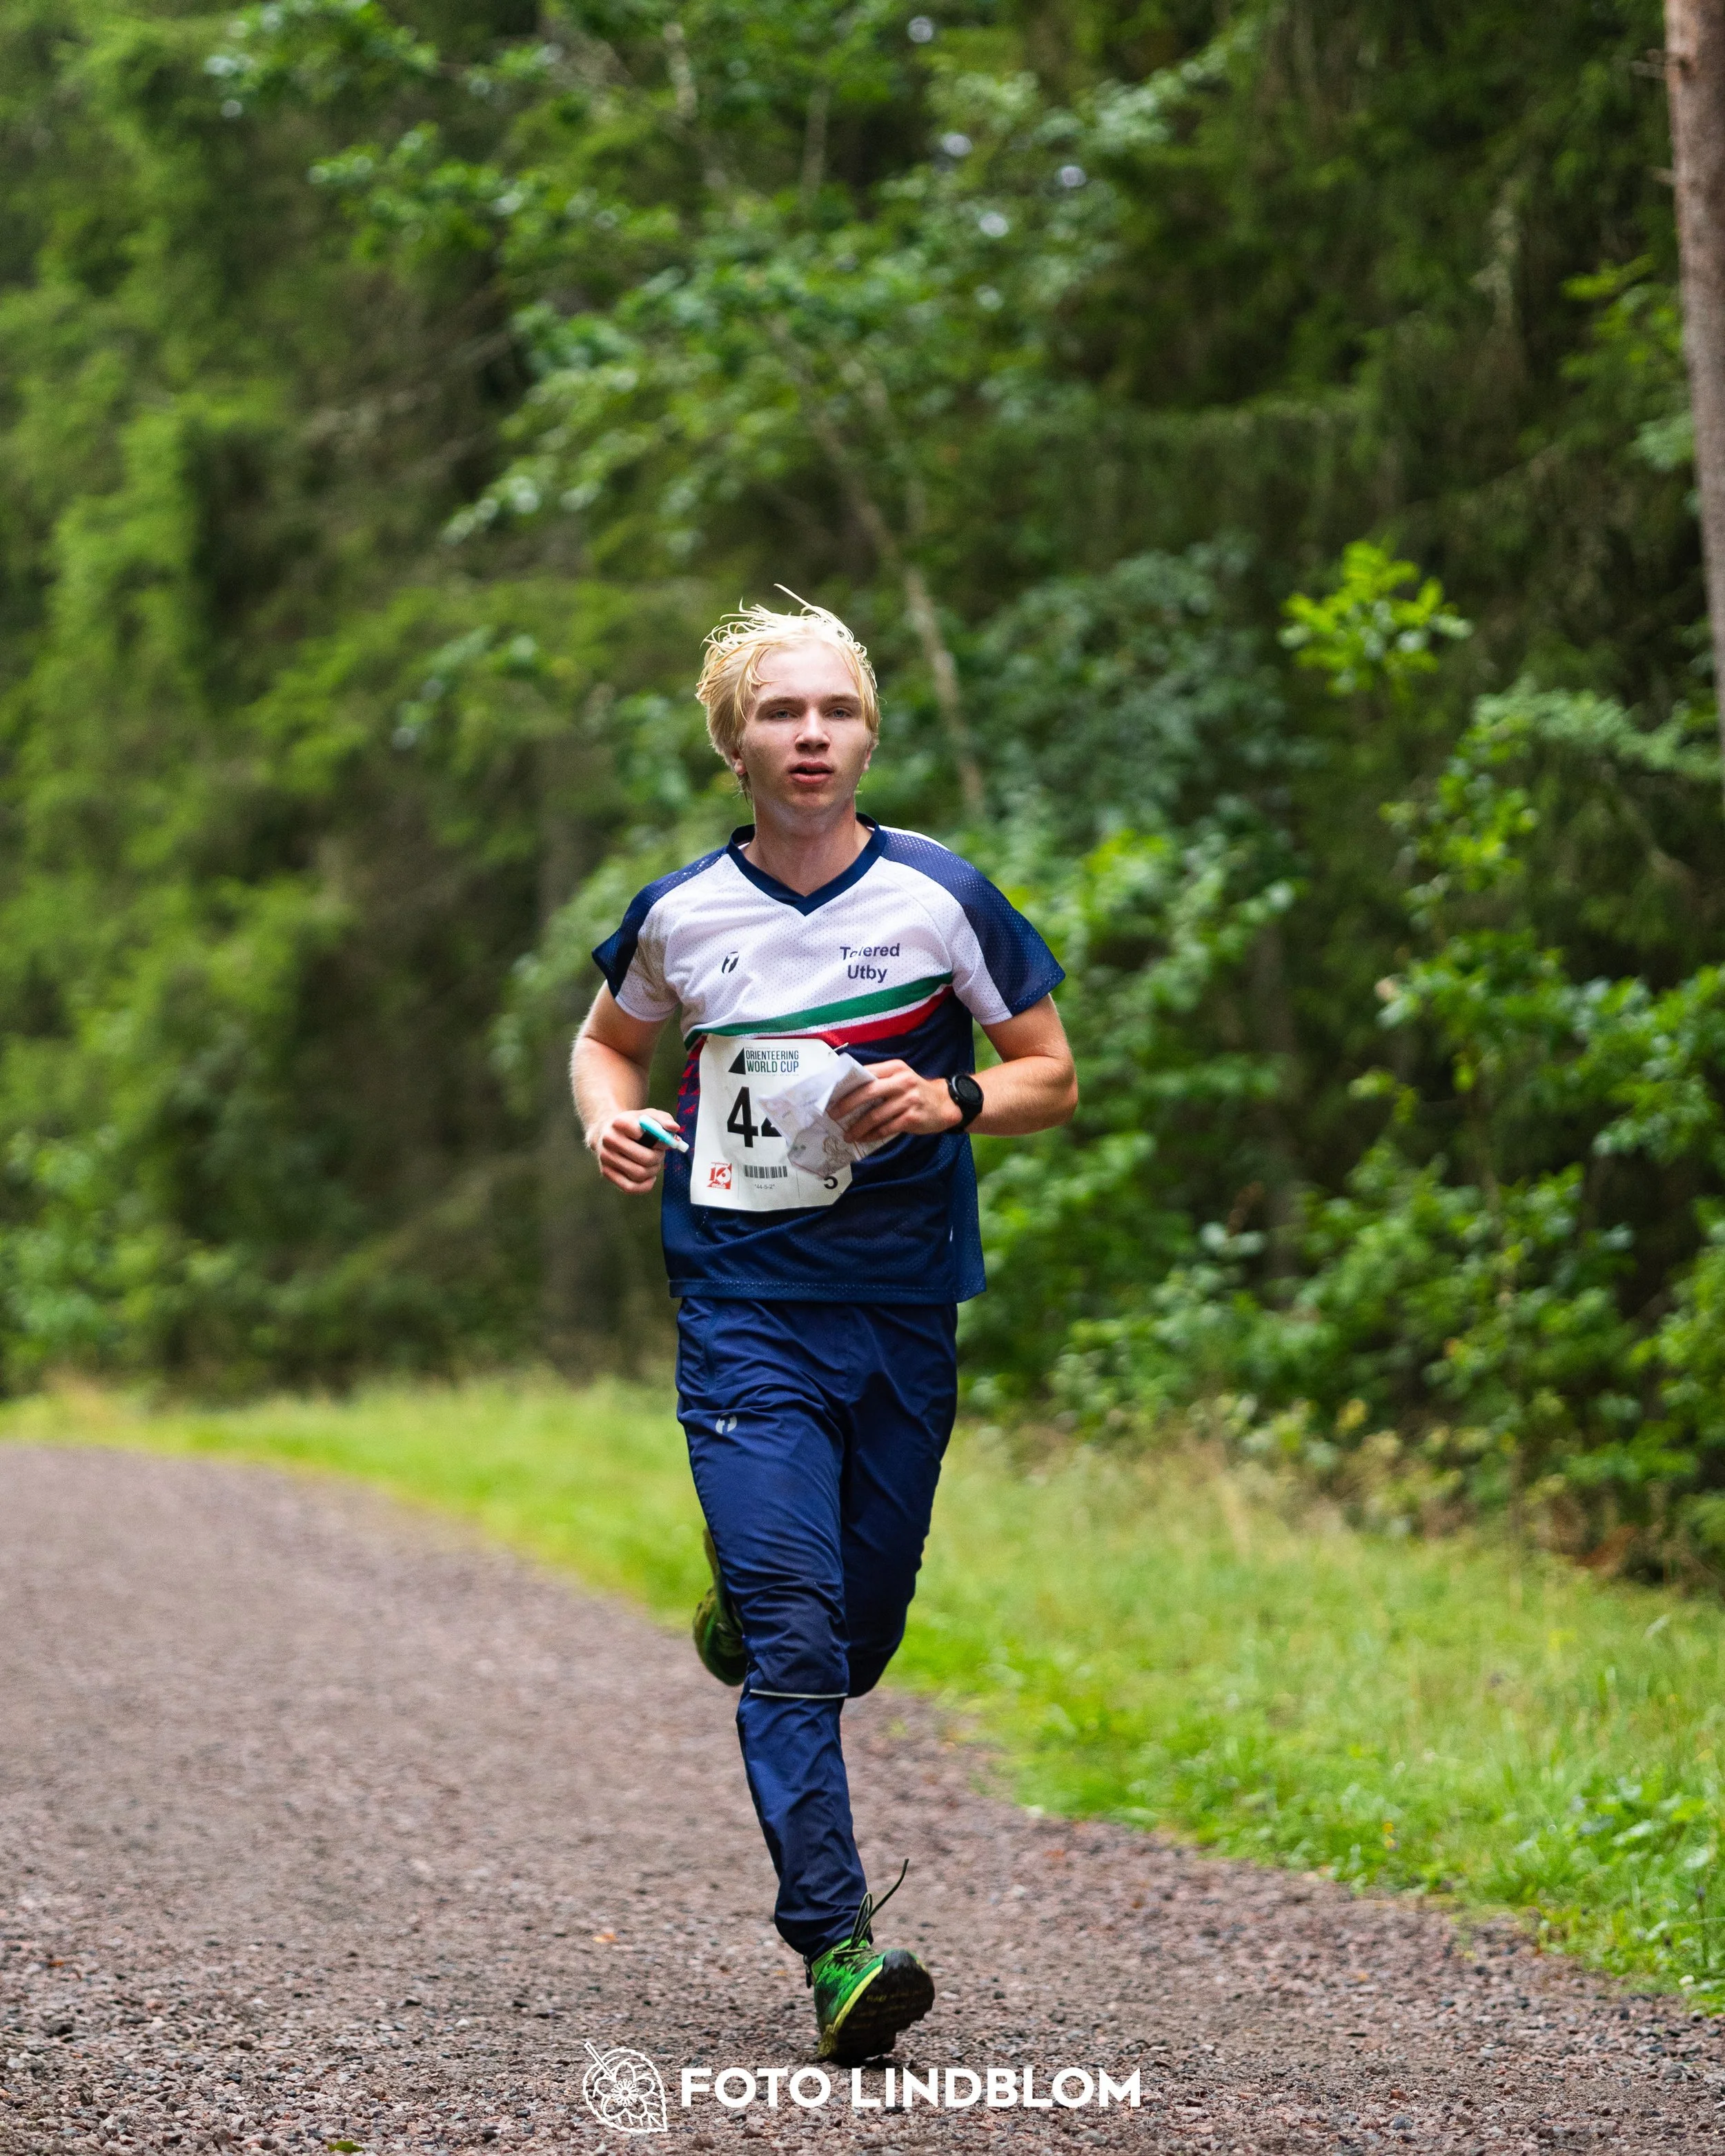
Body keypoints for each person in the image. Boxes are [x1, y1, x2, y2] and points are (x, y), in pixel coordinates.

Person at [571, 600, 1076, 2064]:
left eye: (834, 713)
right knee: (802, 1629)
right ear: (733, 741)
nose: (809, 735)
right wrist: (612, 1122)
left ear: (867, 734)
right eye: (779, 713)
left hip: (902, 1304)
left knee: (852, 1636)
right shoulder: (684, 913)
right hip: (739, 1310)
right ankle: (839, 1947)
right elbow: (606, 1036)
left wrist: (952, 1099)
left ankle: (752, 1610)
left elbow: (1047, 1071)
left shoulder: (940, 897)